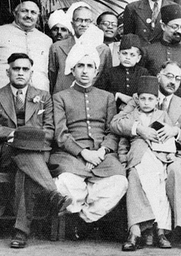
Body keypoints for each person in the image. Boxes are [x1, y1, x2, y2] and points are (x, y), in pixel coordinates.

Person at [0, 53, 72, 248]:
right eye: (16, 69)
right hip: (5, 150)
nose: (20, 73)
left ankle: (20, 232)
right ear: (8, 71)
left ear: (31, 73)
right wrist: (18, 134)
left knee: (25, 167)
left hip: (36, 153)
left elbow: (50, 131)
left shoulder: (44, 97)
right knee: (24, 152)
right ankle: (52, 193)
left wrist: (28, 138)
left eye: (25, 69)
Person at [113, 62, 181, 251]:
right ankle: (140, 230)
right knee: (135, 175)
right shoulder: (139, 100)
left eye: (177, 78)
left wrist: (175, 131)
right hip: (142, 153)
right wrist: (139, 129)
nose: (172, 81)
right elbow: (117, 123)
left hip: (172, 155)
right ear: (159, 76)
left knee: (174, 171)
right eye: (169, 76)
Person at [48, 44, 127, 239]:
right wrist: (83, 152)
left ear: (96, 71)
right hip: (70, 155)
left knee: (119, 181)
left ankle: (84, 219)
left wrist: (102, 151)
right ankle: (88, 216)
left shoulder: (107, 97)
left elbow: (112, 131)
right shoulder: (60, 97)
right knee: (65, 183)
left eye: (89, 66)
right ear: (72, 70)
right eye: (80, 66)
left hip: (102, 156)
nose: (85, 71)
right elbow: (60, 133)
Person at [0, 0, 52, 95]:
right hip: (1, 95)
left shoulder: (46, 40)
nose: (29, 16)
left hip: (37, 97)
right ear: (15, 13)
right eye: (24, 11)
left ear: (38, 16)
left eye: (33, 12)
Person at [143, 4, 181, 117]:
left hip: (180, 111)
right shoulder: (148, 51)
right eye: (175, 27)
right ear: (163, 26)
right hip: (151, 110)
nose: (179, 31)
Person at [48, 2, 112, 94]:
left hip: (91, 101)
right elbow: (52, 78)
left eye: (87, 21)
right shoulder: (57, 47)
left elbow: (106, 81)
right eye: (79, 20)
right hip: (63, 99)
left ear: (92, 23)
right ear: (72, 23)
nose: (83, 24)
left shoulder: (103, 50)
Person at [94, 34, 149, 110]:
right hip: (113, 111)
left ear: (138, 58)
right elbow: (97, 92)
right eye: (124, 53)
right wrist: (117, 95)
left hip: (136, 112)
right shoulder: (109, 72)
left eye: (132, 55)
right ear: (118, 55)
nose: (127, 57)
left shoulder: (143, 73)